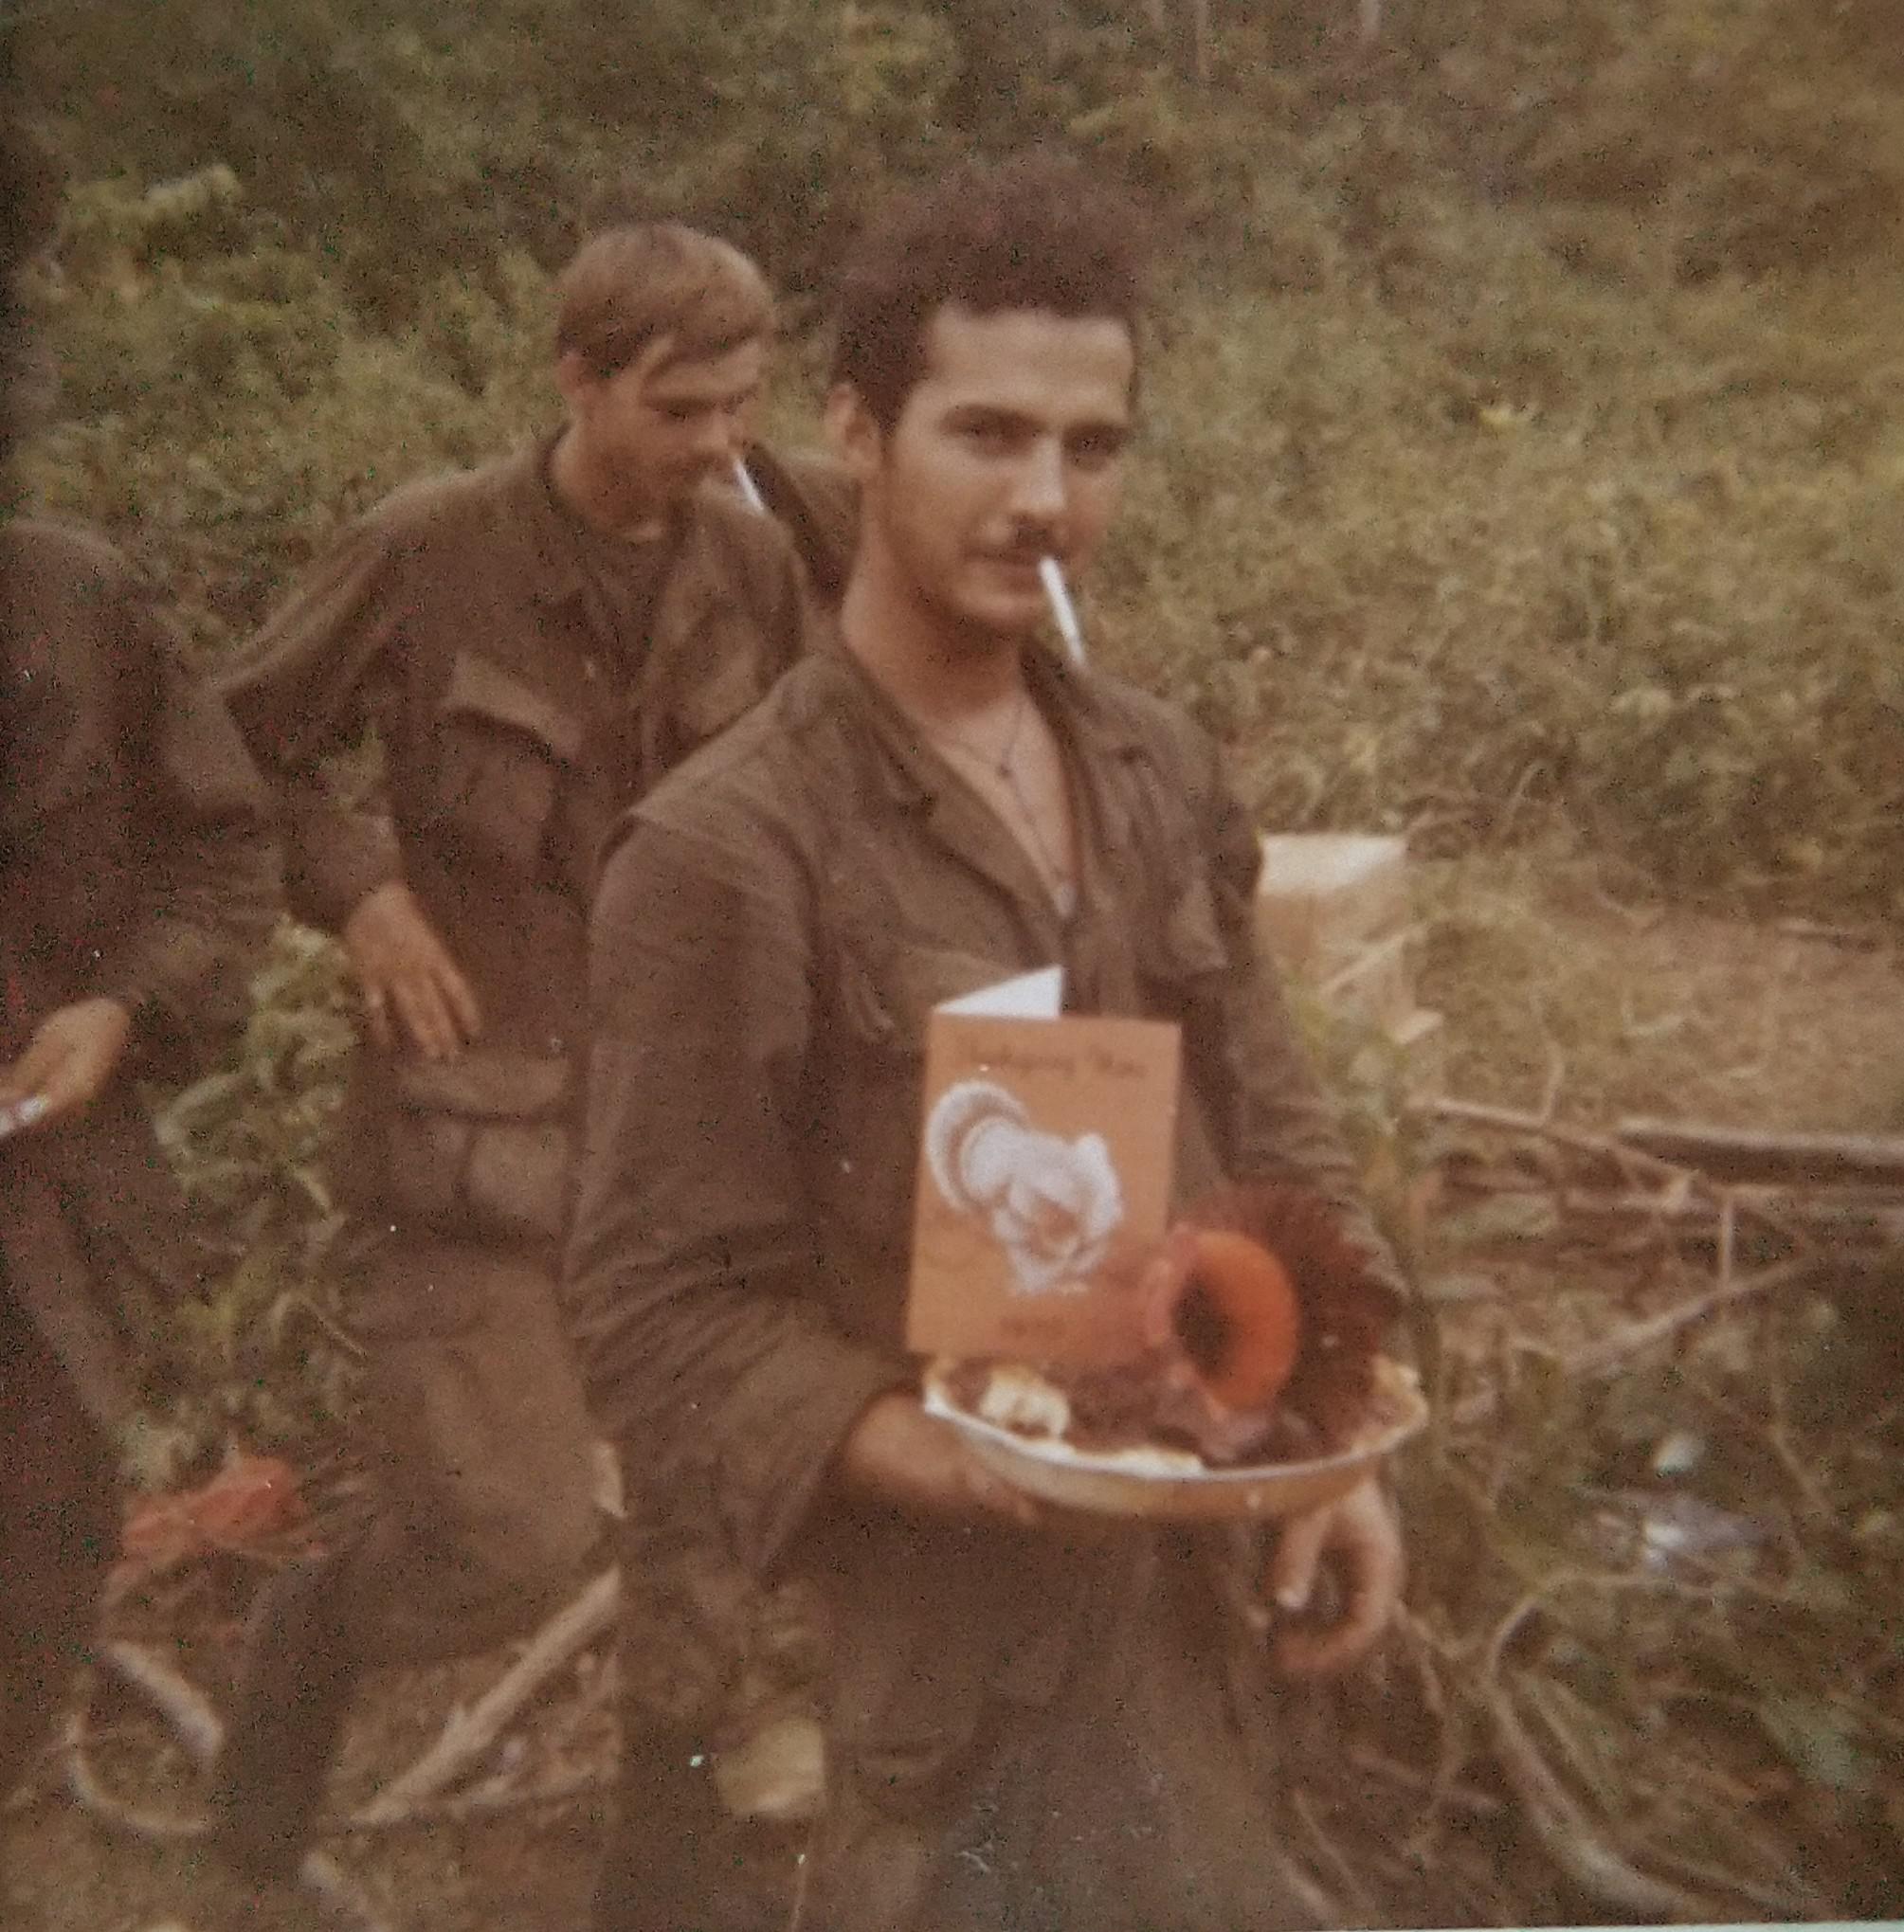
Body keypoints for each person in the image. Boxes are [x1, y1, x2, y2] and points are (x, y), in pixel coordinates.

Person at [563, 154, 1410, 1932]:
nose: (1043, 498)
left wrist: (1333, 1438)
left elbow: (1273, 1124)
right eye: (986, 434)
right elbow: (652, 1308)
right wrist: (926, 1448)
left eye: (1089, 449)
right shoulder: (732, 847)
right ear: (854, 433)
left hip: (1188, 1604)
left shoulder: (1154, 771)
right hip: (923, 1672)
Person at [208, 221, 817, 1883]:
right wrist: (364, 896)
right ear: (575, 379)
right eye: (680, 409)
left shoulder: (751, 564)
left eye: (742, 407)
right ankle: (306, 1658)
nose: (719, 448)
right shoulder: (430, 552)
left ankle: (668, 1907)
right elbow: (217, 756)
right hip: (472, 1152)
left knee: (704, 1564)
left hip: (682, 1163)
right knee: (512, 1544)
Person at [1, 511, 281, 1804]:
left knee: (46, 1532)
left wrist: (119, 1008)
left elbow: (221, 848)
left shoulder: (72, 596)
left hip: (49, 1205)